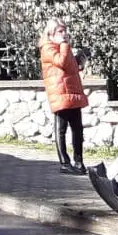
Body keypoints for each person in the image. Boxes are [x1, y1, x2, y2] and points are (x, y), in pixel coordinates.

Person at [38, 19, 88, 175]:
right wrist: (64, 44)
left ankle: (79, 162)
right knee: (61, 129)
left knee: (77, 129)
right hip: (60, 93)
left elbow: (70, 67)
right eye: (60, 31)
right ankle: (64, 163)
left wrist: (80, 61)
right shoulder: (48, 48)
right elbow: (62, 62)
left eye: (65, 30)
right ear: (51, 33)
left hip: (72, 92)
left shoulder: (62, 47)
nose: (64, 34)